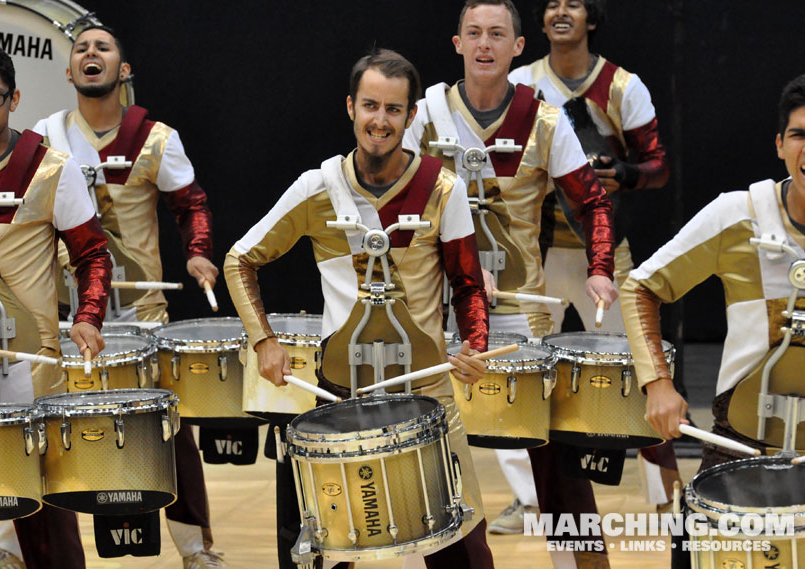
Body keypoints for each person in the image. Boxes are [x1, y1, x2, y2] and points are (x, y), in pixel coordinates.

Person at [225, 48, 495, 569]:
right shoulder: (316, 187)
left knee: (462, 548)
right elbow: (240, 260)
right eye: (370, 106)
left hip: (428, 390)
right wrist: (264, 340)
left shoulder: (445, 189)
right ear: (350, 107)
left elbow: (468, 285)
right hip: (339, 392)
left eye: (394, 110)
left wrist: (475, 345)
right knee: (330, 548)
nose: (380, 120)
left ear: (411, 116)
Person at [403, 1, 615, 567]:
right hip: (443, 308)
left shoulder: (545, 120)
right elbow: (397, 200)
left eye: (497, 34)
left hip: (523, 312)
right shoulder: (424, 116)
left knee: (553, 456)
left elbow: (591, 200)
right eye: (474, 33)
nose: (484, 45)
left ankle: (581, 563)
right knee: (434, 450)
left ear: (519, 48)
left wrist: (600, 268)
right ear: (456, 43)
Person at [27, 26, 224, 569]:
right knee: (43, 426)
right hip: (67, 313)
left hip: (141, 312)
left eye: (104, 48)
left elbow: (192, 205)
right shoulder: (42, 137)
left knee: (169, 427)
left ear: (125, 70)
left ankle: (196, 548)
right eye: (82, 49)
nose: (92, 54)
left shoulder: (156, 137)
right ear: (68, 72)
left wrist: (198, 251)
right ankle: (13, 549)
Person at [620, 71, 805, 568]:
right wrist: (657, 384)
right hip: (739, 439)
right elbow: (641, 286)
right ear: (779, 145)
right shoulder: (737, 212)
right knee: (693, 555)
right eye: (799, 135)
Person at [499, 0, 677, 532]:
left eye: (572, 4)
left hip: (608, 254)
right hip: (537, 255)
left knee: (647, 371)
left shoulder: (624, 86)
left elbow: (659, 167)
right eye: (551, 4)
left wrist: (622, 172)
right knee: (521, 371)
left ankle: (667, 499)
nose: (560, 12)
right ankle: (528, 499)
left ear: (591, 18)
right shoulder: (521, 83)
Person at [0, 39, 111, 569]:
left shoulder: (52, 169)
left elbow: (94, 255)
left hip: (31, 369)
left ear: (15, 99)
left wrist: (88, 316)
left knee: (46, 519)